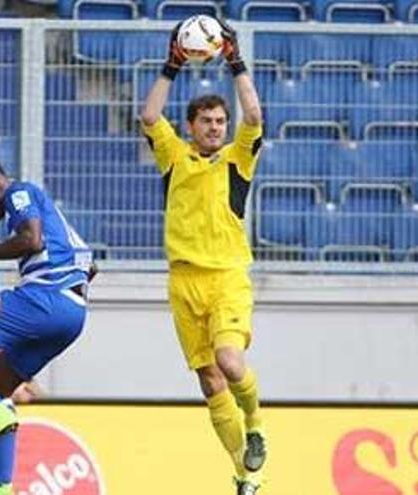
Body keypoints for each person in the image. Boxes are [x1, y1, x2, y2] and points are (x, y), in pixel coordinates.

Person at [140, 19, 267, 495]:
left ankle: (255, 425)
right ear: (191, 127)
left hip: (228, 278)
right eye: (207, 122)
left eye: (220, 122)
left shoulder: (239, 158)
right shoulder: (174, 156)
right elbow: (150, 116)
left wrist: (235, 60)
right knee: (211, 383)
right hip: (183, 281)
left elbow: (254, 115)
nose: (216, 128)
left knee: (231, 362)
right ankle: (244, 471)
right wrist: (171, 65)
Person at [0, 158, 94, 495]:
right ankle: (2, 488)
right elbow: (92, 266)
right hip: (73, 315)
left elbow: (31, 241)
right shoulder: (57, 220)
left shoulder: (19, 192)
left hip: (48, 300)